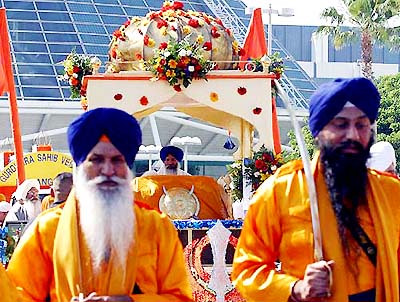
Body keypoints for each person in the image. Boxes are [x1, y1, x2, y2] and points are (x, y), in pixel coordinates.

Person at [231, 77, 400, 302]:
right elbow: (246, 271)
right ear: (318, 131)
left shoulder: (391, 191)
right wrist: (295, 288)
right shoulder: (281, 191)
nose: (352, 135)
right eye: (340, 124)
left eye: (361, 125)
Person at [7, 108, 193, 302]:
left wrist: (128, 301)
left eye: (117, 160)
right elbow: (19, 295)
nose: (107, 170)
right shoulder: (46, 229)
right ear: (80, 167)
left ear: (127, 167)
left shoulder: (156, 226)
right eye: (96, 160)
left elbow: (179, 297)